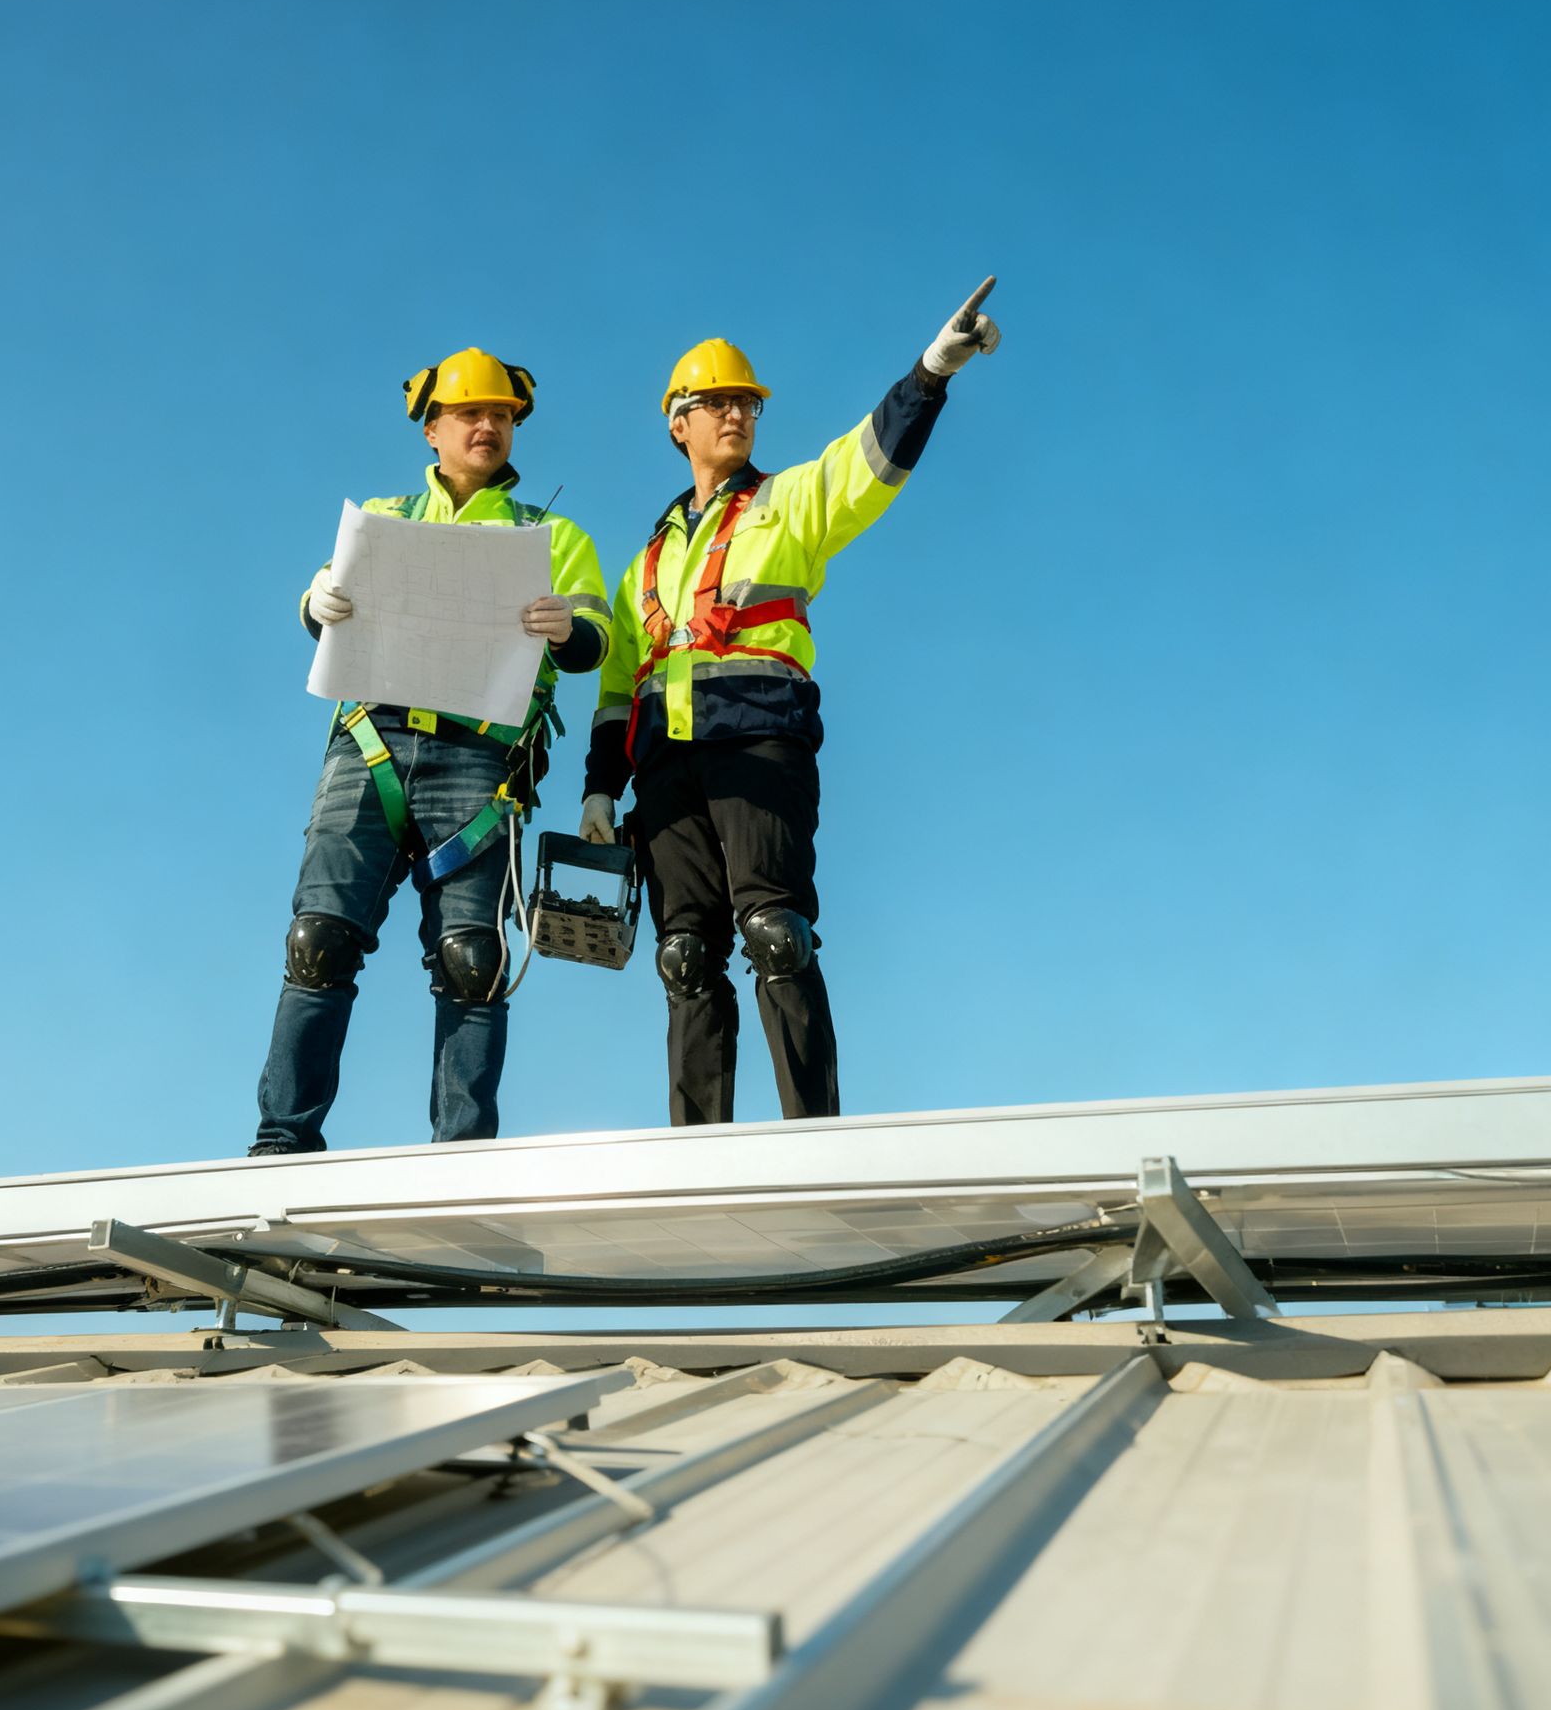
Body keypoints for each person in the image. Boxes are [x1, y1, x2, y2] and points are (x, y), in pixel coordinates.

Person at [579, 280, 1001, 1125]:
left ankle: (814, 1136)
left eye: (748, 403)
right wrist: (600, 788)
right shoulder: (641, 565)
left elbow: (868, 463)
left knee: (775, 933)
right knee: (685, 955)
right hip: (665, 773)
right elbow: (619, 684)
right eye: (719, 402)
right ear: (679, 421)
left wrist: (930, 374)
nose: (737, 414)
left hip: (759, 746)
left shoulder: (790, 503)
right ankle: (698, 1153)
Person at [251, 348, 608, 1152]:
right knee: (320, 938)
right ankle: (282, 1144)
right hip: (371, 747)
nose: (490, 427)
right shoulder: (385, 517)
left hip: (482, 762)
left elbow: (596, 637)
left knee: (470, 957)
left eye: (504, 417)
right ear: (433, 429)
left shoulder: (553, 536)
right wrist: (316, 598)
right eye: (472, 414)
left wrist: (571, 628)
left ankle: (461, 1155)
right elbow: (316, 596)